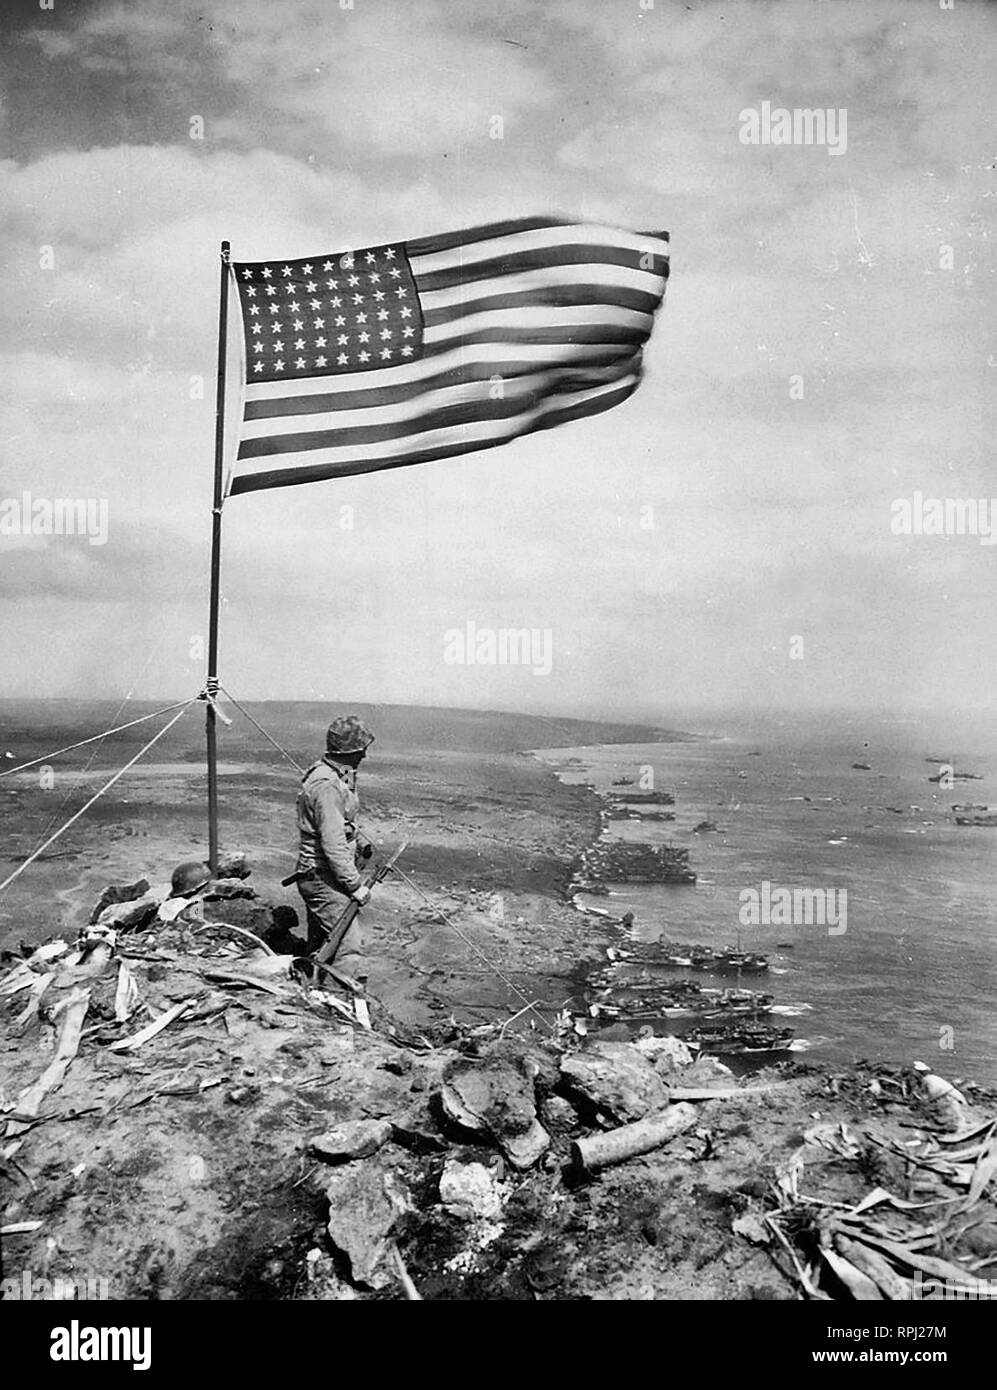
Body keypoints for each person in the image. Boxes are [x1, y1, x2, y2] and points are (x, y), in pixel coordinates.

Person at [294, 714, 375, 983]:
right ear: (350, 751)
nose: (364, 755)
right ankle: (343, 1008)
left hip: (321, 874)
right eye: (361, 749)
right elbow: (332, 841)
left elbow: (342, 823)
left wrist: (360, 842)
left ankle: (312, 995)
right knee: (348, 945)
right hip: (321, 876)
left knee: (322, 944)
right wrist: (354, 886)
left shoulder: (337, 775)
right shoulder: (328, 785)